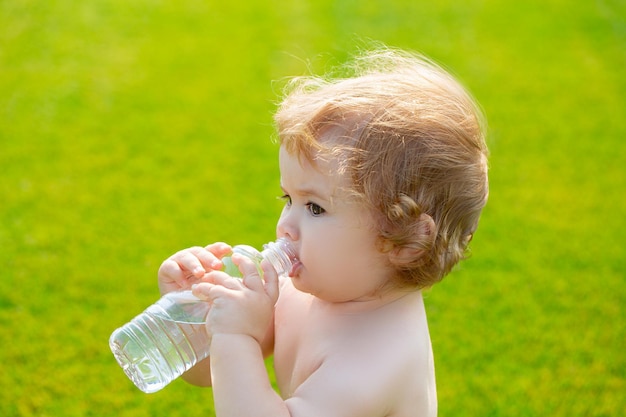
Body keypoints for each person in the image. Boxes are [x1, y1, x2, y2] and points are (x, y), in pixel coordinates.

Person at [157, 47, 489, 417]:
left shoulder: (375, 361)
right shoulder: (312, 290)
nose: (285, 225)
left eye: (315, 207)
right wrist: (190, 321)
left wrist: (236, 337)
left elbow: (237, 356)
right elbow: (217, 373)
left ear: (406, 241)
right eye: (288, 199)